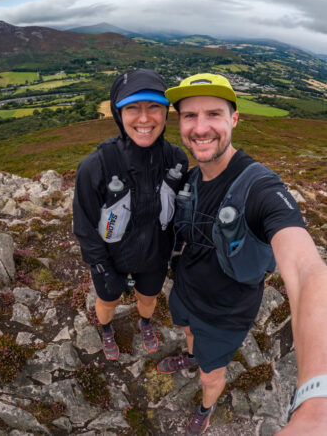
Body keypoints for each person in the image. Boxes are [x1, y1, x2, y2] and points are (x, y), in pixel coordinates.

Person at [157, 73, 327, 436]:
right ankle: (190, 355)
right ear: (180, 123)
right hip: (186, 293)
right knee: (186, 330)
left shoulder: (261, 188)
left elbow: (305, 269)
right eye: (189, 116)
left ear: (234, 119)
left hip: (225, 314)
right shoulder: (189, 180)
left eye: (214, 114)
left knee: (210, 373)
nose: (200, 128)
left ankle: (207, 404)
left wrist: (318, 400)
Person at [73, 68, 188, 361]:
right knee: (107, 301)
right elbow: (84, 224)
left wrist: (177, 251)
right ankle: (107, 329)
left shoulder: (176, 159)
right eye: (133, 108)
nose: (145, 118)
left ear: (165, 112)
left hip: (154, 256)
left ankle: (145, 322)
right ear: (118, 113)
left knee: (148, 299)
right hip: (111, 258)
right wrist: (99, 265)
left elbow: (179, 210)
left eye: (154, 108)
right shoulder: (95, 166)